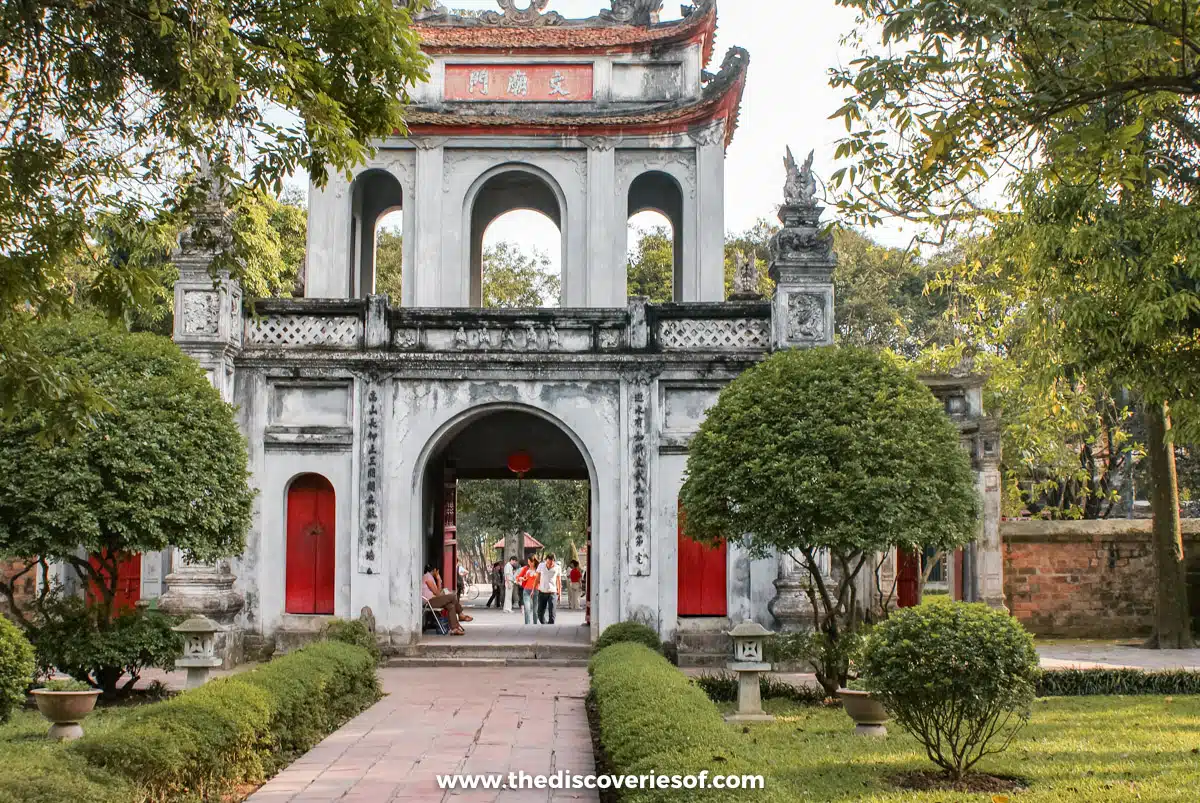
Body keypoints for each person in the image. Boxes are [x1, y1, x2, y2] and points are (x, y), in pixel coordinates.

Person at [422, 565, 472, 635]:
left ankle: (454, 629)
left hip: (433, 600)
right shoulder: (427, 576)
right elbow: (437, 593)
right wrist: (439, 580)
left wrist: (438, 580)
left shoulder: (430, 577)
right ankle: (460, 614)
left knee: (451, 606)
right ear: (435, 570)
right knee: (452, 596)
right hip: (428, 602)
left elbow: (437, 593)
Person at [537, 553, 562, 625]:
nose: (549, 564)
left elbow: (558, 581)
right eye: (548, 563)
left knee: (552, 613)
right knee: (540, 613)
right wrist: (533, 589)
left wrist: (559, 594)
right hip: (542, 591)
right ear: (546, 561)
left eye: (551, 563)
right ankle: (545, 625)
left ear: (554, 561)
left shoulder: (557, 567)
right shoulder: (541, 565)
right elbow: (537, 578)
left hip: (552, 592)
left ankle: (551, 627)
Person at [516, 556, 539, 625]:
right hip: (526, 590)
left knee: (535, 610)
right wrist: (521, 578)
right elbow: (518, 577)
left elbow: (541, 579)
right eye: (528, 562)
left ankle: (535, 624)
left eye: (531, 562)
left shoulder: (538, 569)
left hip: (536, 590)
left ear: (534, 561)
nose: (529, 564)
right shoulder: (526, 568)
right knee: (527, 609)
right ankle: (527, 625)